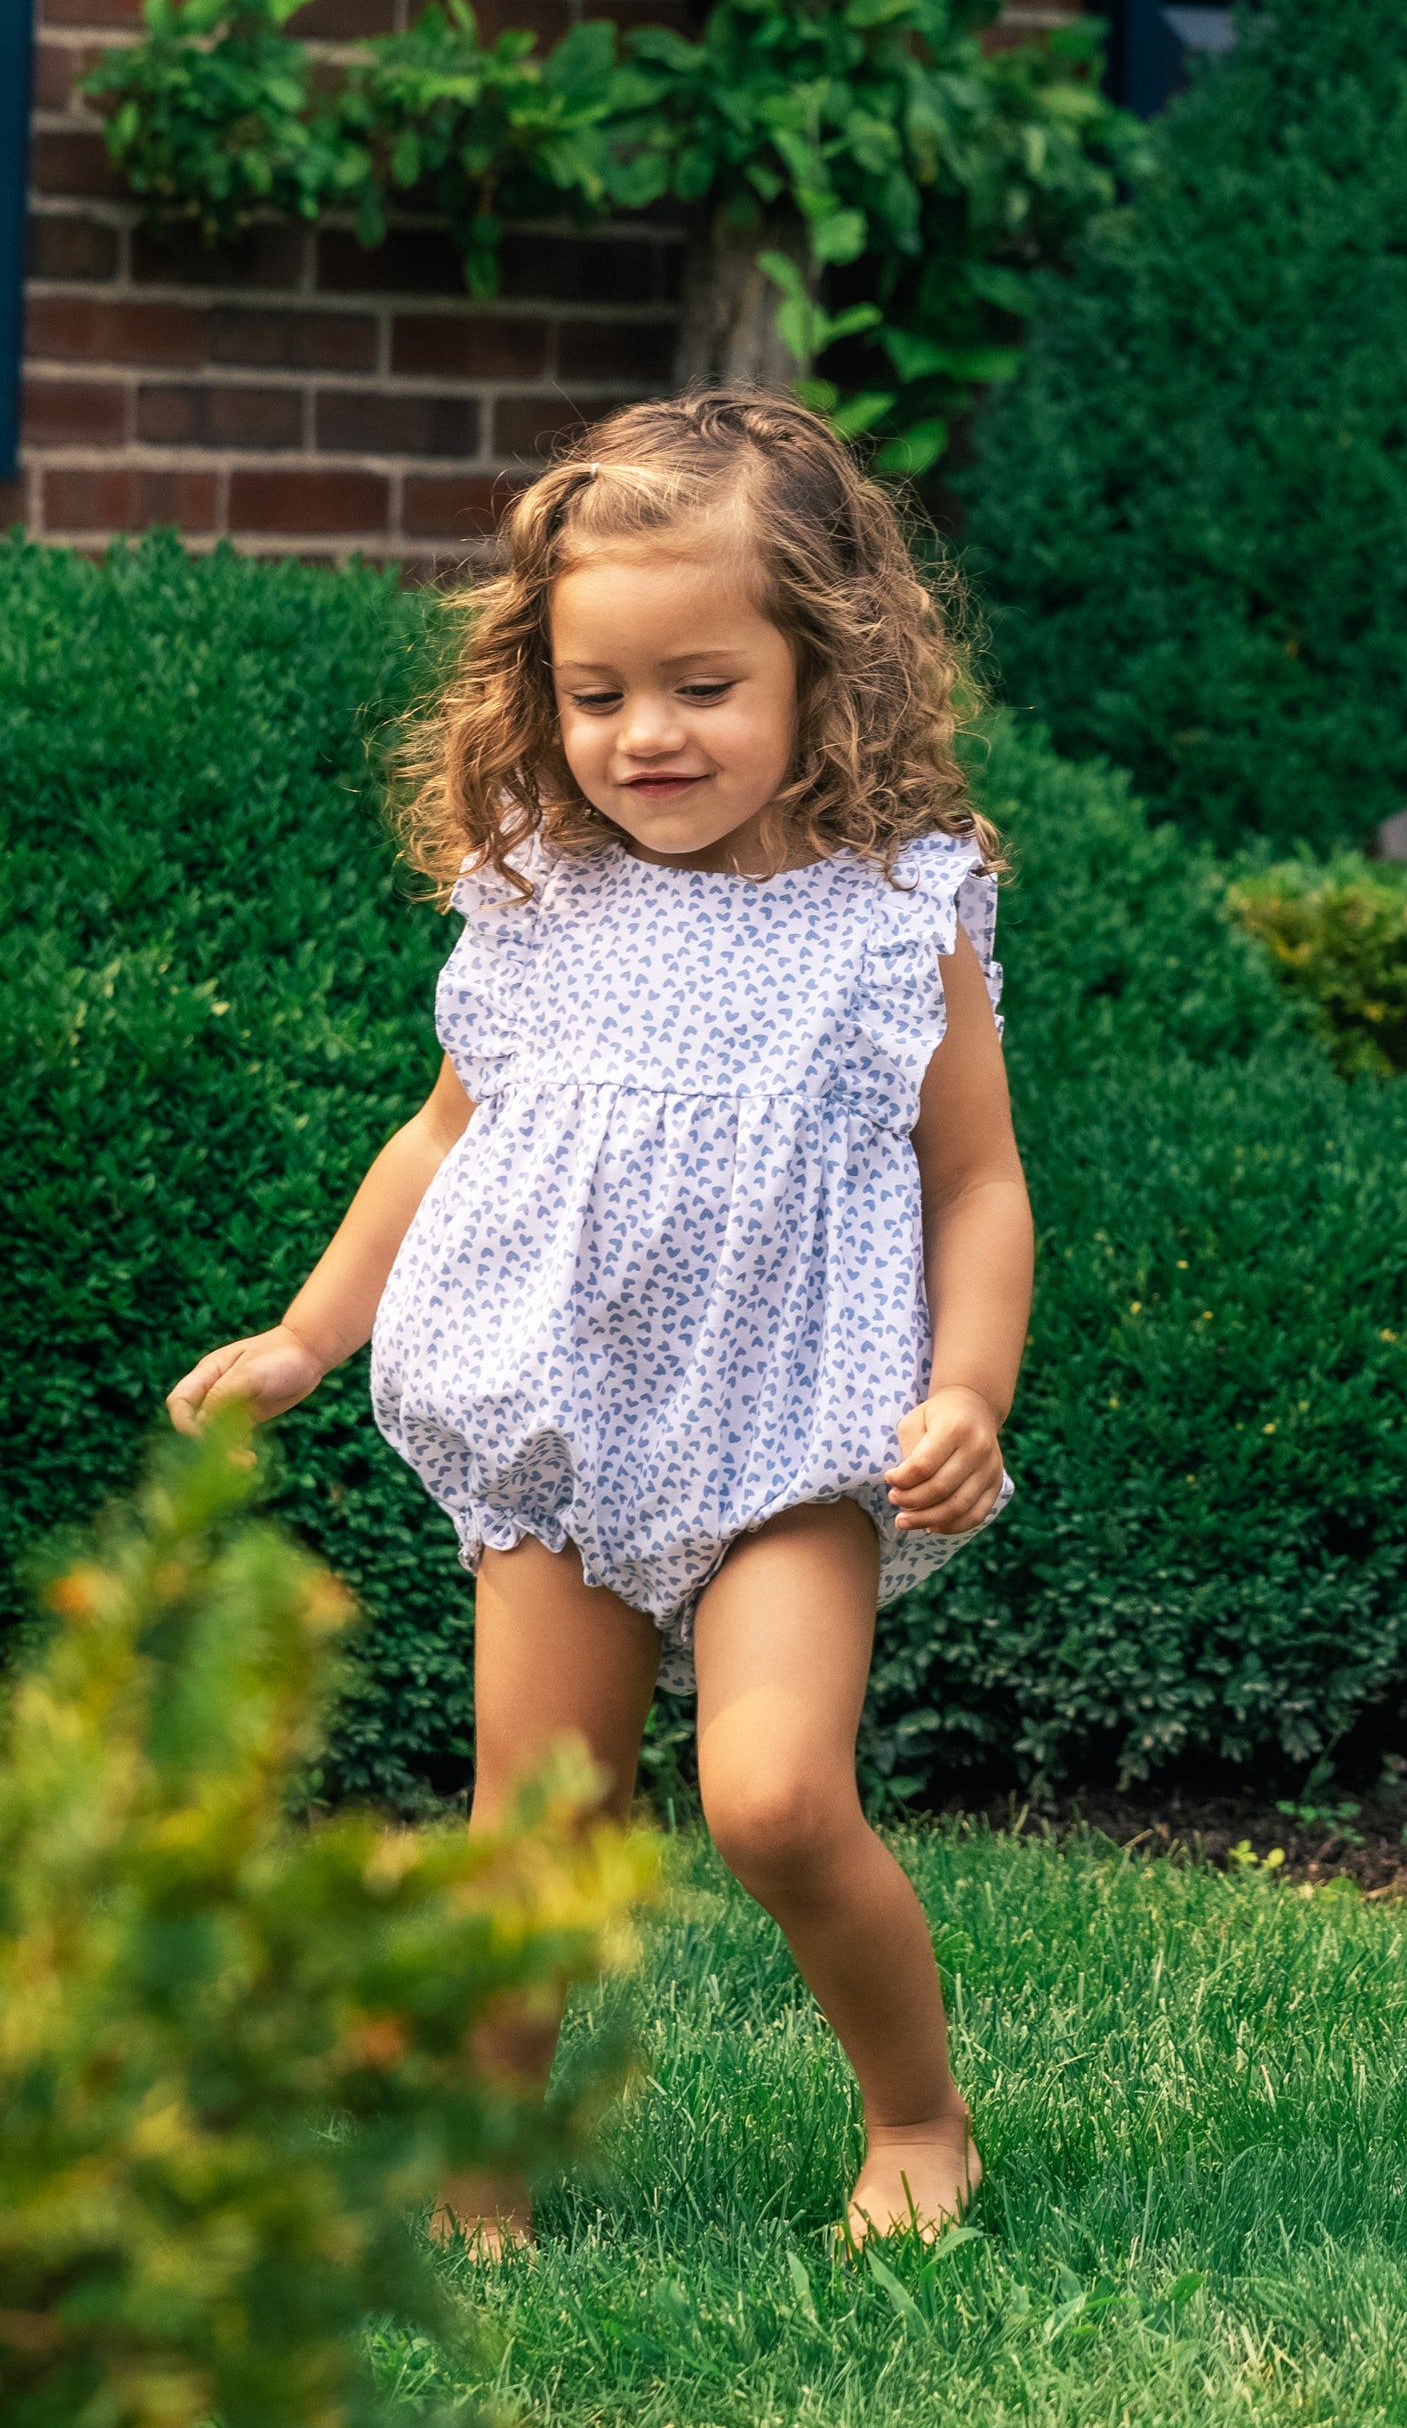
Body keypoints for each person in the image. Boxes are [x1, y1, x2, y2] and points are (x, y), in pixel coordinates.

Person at [168, 391, 1031, 2251]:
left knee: (778, 1801)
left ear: (829, 665)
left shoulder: (899, 910)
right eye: (597, 692)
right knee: (532, 1834)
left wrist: (967, 1385)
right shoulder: (536, 888)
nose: (643, 736)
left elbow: (975, 1182)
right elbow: (442, 1133)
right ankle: (472, 2177)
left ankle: (919, 2120)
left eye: (702, 685)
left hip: (793, 1434)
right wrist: (309, 1338)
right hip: (556, 1421)